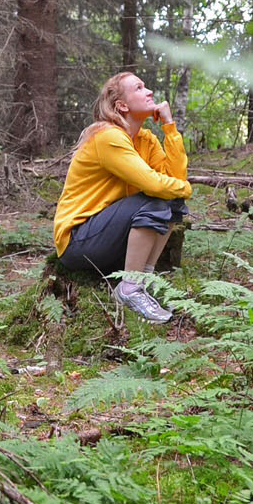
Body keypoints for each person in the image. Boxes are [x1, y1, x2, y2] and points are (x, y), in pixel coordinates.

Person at [53, 71, 190, 325]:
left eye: (146, 86)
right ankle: (130, 289)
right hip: (78, 241)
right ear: (122, 105)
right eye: (139, 88)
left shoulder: (145, 140)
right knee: (156, 200)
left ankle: (143, 281)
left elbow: (175, 175)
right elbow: (153, 184)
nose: (149, 92)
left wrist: (169, 128)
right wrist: (185, 187)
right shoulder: (108, 137)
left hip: (110, 237)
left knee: (173, 204)